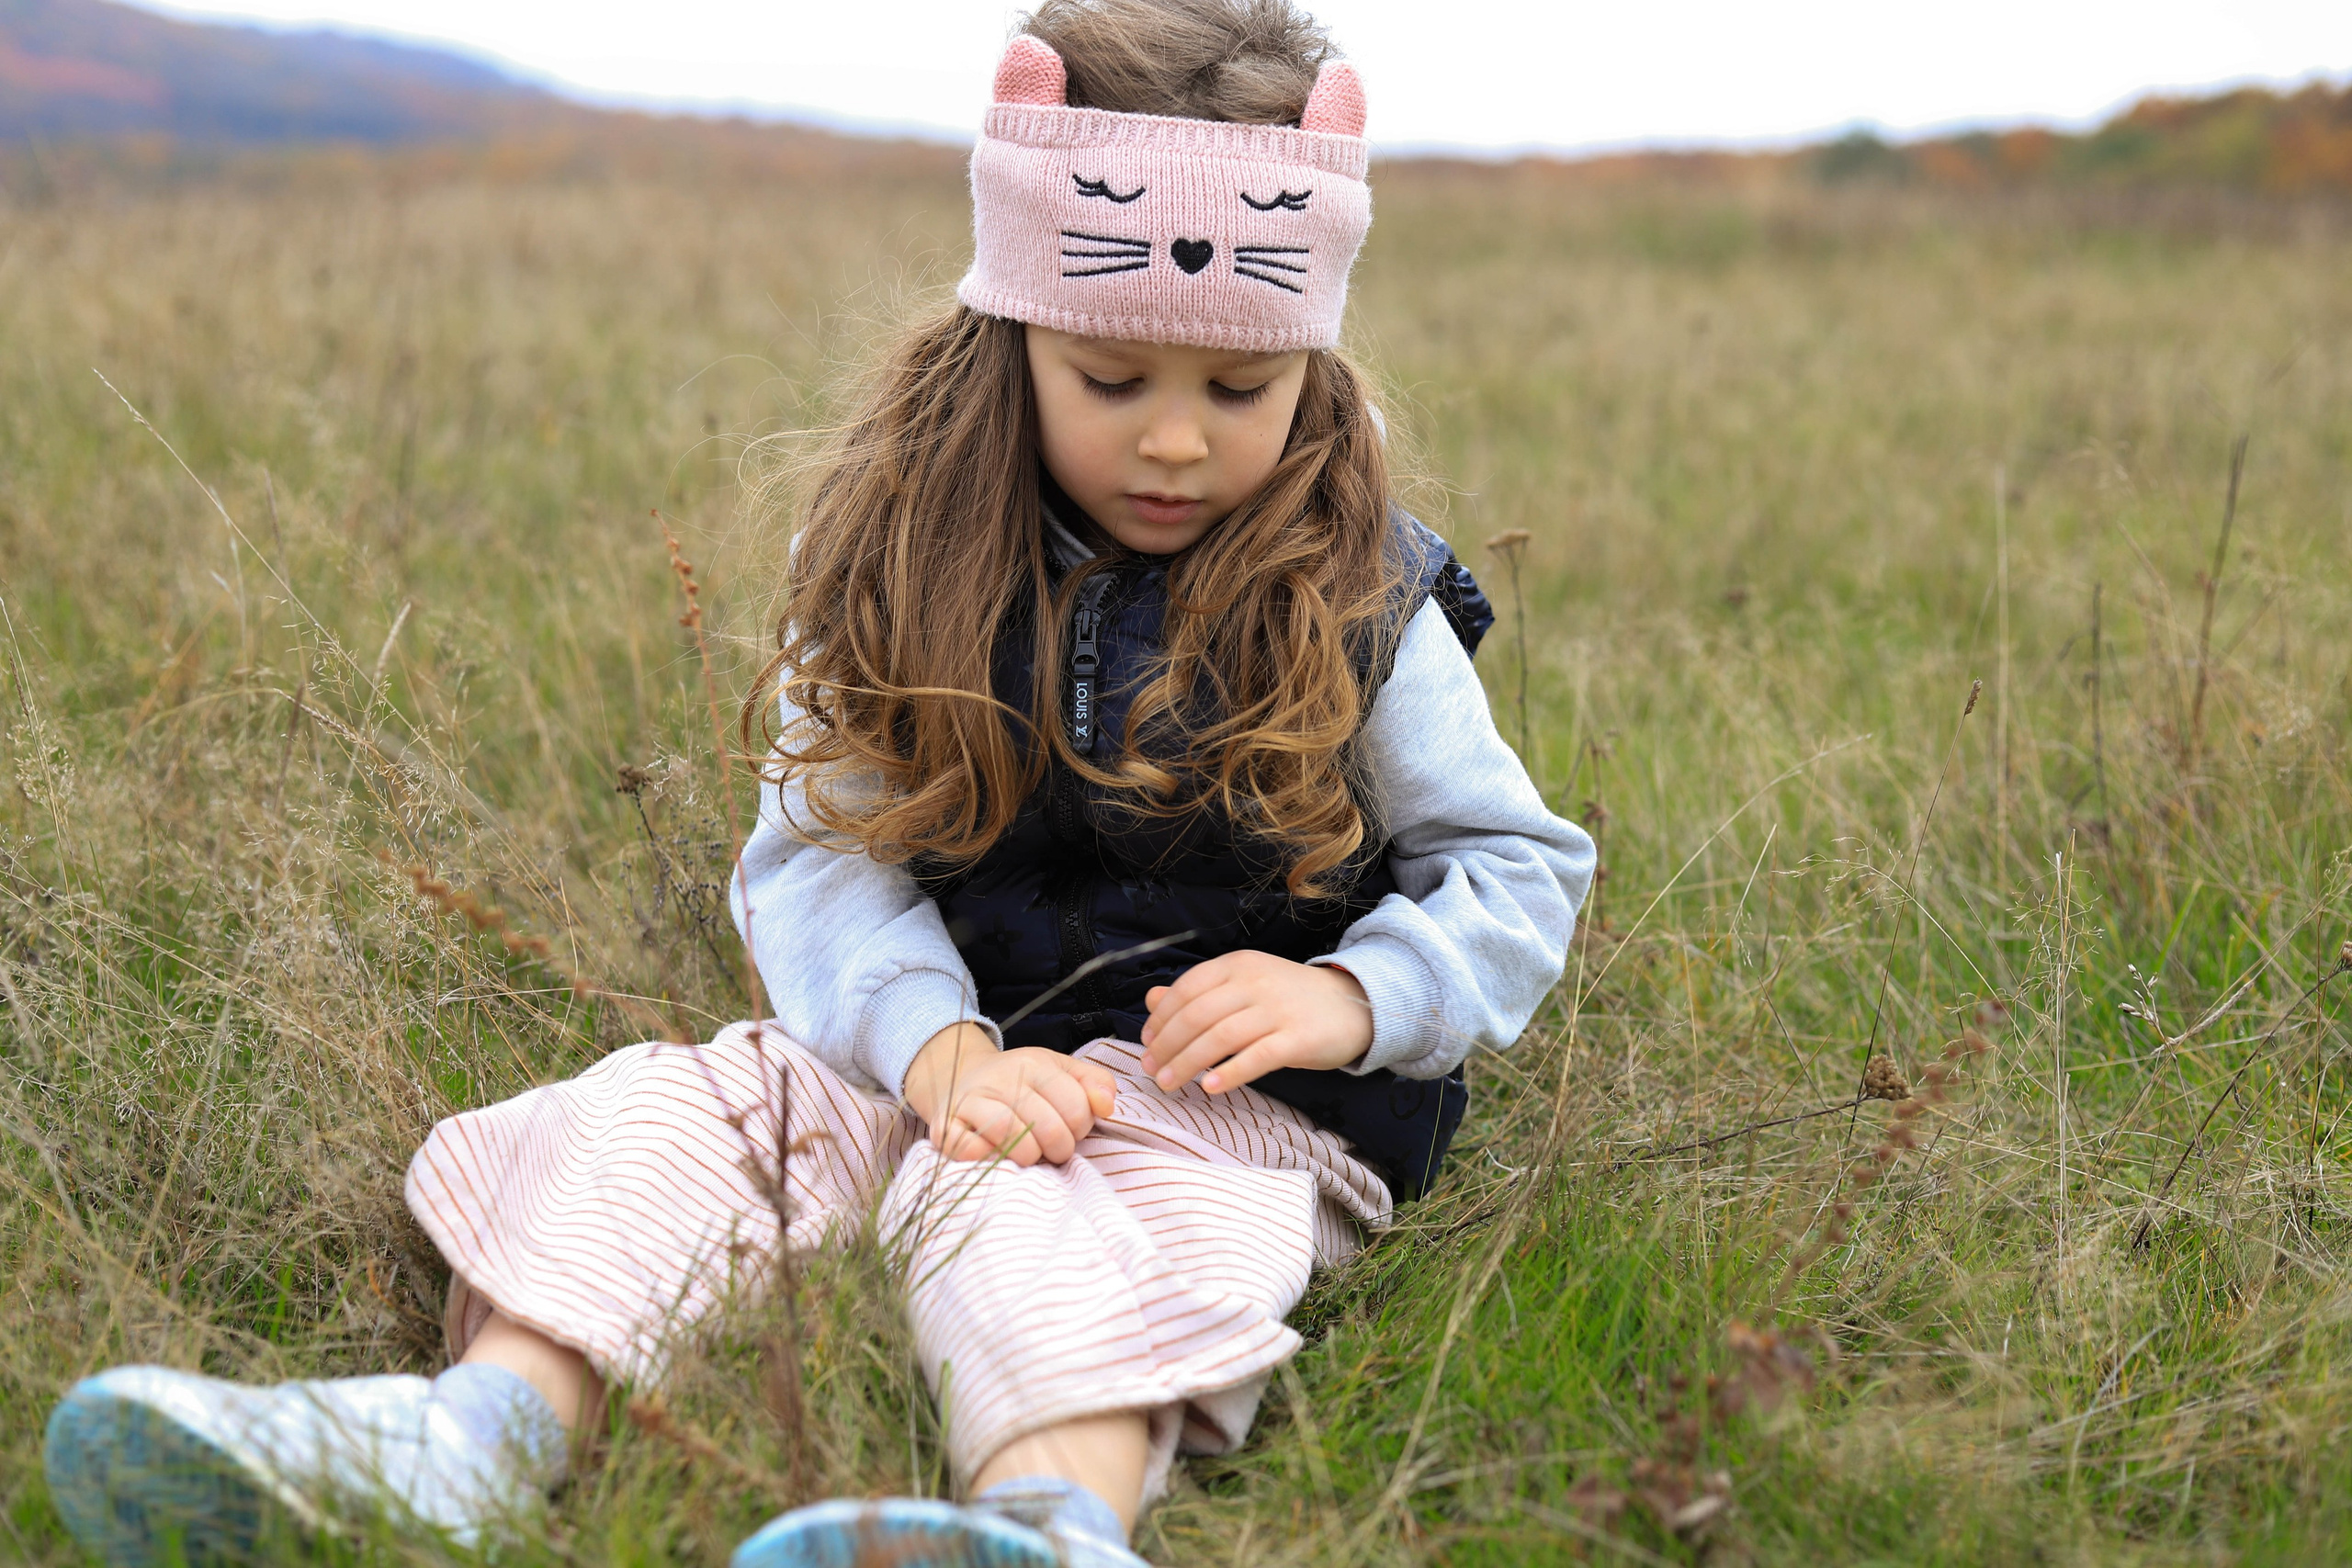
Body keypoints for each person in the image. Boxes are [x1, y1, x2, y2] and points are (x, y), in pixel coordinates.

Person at [42, 2, 1593, 1563]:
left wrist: (1361, 1000)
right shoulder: (894, 560)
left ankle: (1049, 1524)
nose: (1177, 444)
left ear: (1307, 369)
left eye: (1239, 394)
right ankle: (472, 1439)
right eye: (1112, 379)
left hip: (1223, 1106)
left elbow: (1516, 864)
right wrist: (938, 1058)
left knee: (1050, 1227)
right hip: (921, 1056)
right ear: (1016, 335)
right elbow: (819, 860)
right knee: (681, 1118)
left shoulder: (1353, 592)